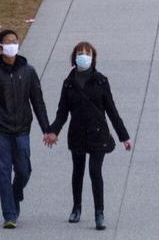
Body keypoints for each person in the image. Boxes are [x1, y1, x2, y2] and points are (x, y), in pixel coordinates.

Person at [46, 42, 131, 231]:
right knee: (78, 171)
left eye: (87, 53)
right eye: (80, 53)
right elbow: (62, 113)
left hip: (98, 133)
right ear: (74, 57)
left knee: (94, 171)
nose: (83, 56)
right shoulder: (68, 83)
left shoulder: (101, 81)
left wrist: (123, 137)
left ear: (93, 58)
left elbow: (112, 110)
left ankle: (99, 213)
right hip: (77, 132)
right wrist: (53, 131)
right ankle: (76, 208)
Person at [0, 29, 50, 229]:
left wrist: (47, 128)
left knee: (24, 170)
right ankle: (9, 214)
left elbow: (38, 102)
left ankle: (15, 193)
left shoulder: (28, 72)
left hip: (22, 129)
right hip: (0, 130)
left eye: (14, 41)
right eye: (8, 42)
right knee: (3, 171)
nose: (12, 45)